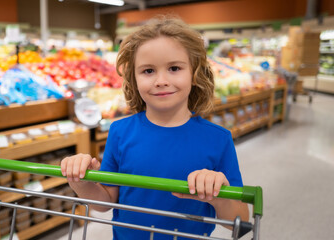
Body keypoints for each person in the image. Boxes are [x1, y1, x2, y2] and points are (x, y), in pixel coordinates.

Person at [61, 16, 249, 239]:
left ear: (195, 73)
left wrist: (217, 194)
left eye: (174, 68)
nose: (161, 80)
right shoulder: (120, 132)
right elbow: (105, 203)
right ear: (134, 78)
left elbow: (241, 222)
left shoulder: (218, 139)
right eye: (148, 71)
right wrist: (81, 181)